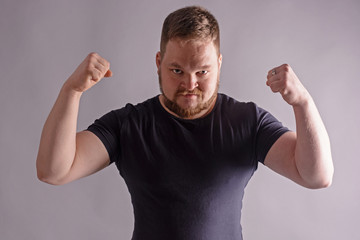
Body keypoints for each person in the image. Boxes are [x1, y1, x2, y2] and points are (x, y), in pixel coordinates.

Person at [36, 6, 334, 240]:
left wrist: (302, 102)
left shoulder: (247, 121)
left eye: (202, 72)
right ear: (158, 62)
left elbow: (316, 176)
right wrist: (71, 91)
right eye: (177, 70)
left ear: (218, 64)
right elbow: (54, 170)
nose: (189, 84)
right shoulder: (129, 124)